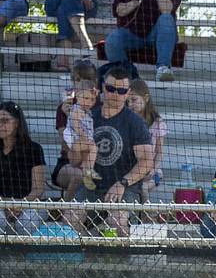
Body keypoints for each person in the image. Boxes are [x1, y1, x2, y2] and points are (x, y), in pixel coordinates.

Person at [61, 65, 154, 236]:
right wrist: (77, 146)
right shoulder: (88, 117)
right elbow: (74, 161)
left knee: (117, 221)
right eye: (111, 89)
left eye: (121, 90)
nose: (115, 94)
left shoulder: (135, 123)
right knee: (70, 220)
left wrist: (123, 183)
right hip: (92, 186)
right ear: (103, 87)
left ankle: (122, 262)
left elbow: (146, 161)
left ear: (127, 93)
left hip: (126, 188)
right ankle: (76, 261)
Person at [0, 101, 46, 235]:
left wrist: (21, 205)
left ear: (17, 123)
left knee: (27, 222)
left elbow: (38, 189)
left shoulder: (34, 149)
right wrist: (5, 205)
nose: (0, 125)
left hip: (28, 203)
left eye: (5, 120)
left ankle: (23, 255)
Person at [125, 79, 167, 200]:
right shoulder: (127, 121)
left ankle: (146, 215)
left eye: (134, 100)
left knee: (143, 187)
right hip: (132, 169)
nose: (130, 104)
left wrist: (152, 169)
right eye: (127, 101)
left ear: (146, 98)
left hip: (152, 172)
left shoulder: (157, 122)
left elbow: (159, 151)